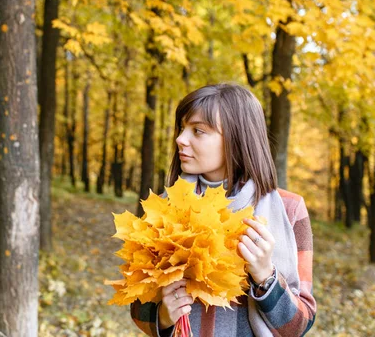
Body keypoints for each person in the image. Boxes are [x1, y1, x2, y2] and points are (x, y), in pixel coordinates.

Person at [130, 84, 316, 336]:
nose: (180, 139)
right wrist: (163, 316)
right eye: (182, 128)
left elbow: (299, 326)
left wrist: (265, 276)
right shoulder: (163, 207)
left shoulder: (289, 209)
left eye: (198, 130)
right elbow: (137, 308)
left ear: (237, 138)